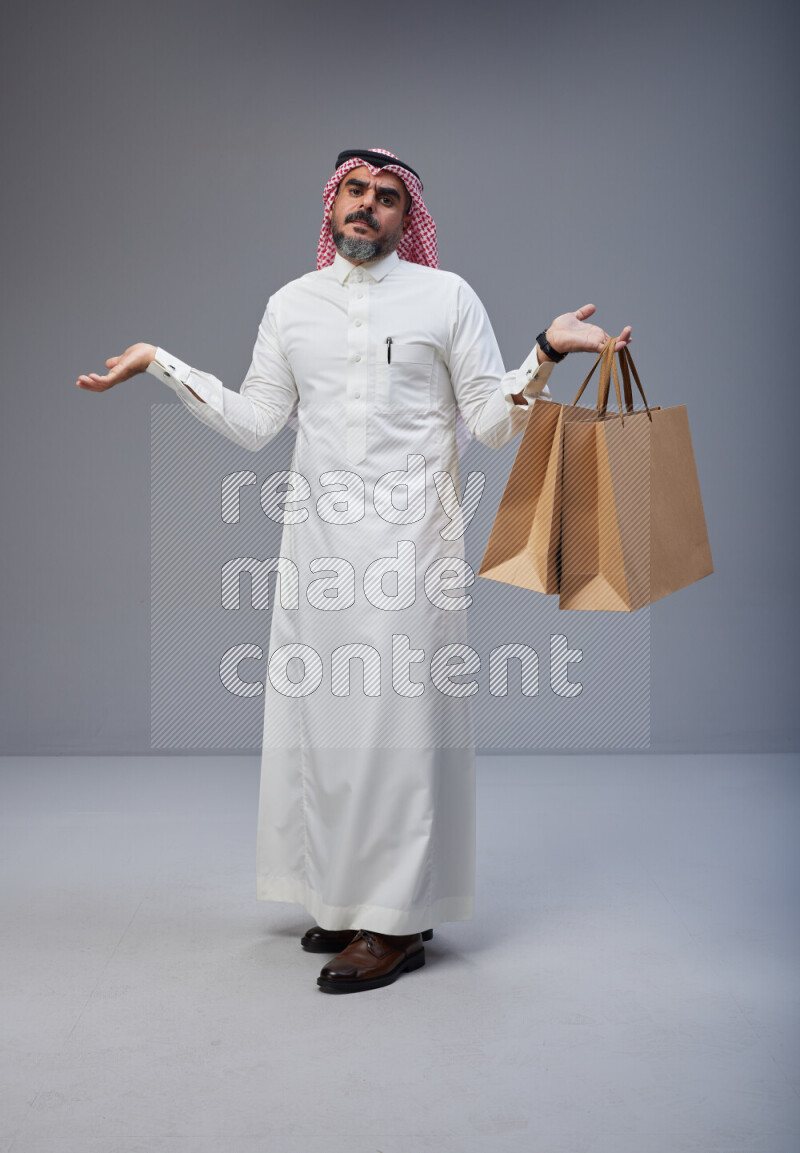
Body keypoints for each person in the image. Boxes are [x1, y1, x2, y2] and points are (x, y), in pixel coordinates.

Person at [77, 147, 632, 995]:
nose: (367, 206)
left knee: (398, 733)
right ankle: (343, 897)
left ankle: (397, 922)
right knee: (323, 726)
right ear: (331, 204)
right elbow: (258, 421)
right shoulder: (292, 306)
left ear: (408, 218)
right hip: (317, 552)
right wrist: (161, 360)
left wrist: (545, 350)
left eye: (386, 197)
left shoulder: (446, 297)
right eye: (354, 191)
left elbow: (489, 424)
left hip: (413, 547)